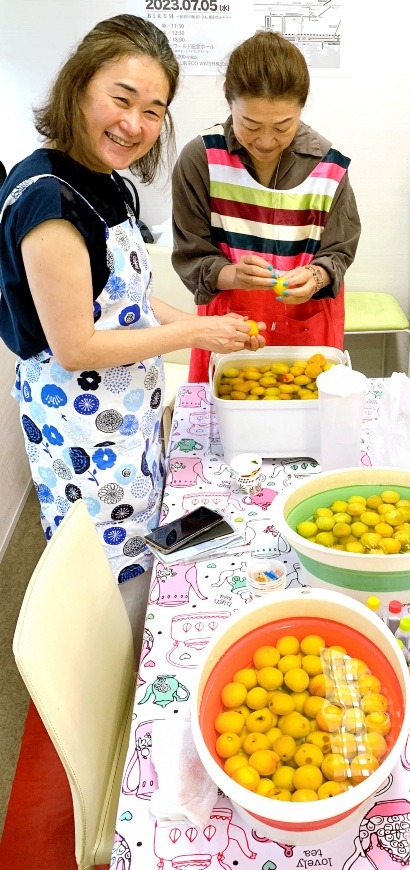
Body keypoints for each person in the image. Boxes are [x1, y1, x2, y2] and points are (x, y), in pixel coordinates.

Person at [0, 15, 264, 644]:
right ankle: (104, 683)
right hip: (81, 421)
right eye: (121, 99)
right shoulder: (48, 201)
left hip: (125, 407)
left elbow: (131, 304)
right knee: (99, 571)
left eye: (153, 110)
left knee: (136, 543)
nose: (135, 124)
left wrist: (206, 322)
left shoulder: (109, 185)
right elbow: (76, 344)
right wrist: (194, 336)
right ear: (79, 86)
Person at [172, 30, 361, 383]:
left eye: (283, 126)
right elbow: (191, 253)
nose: (266, 141)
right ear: (230, 103)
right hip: (229, 324)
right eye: (250, 125)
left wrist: (317, 276)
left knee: (306, 417)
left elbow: (340, 250)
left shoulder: (327, 166)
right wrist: (232, 275)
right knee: (226, 421)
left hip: (308, 322)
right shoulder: (201, 160)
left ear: (301, 109)